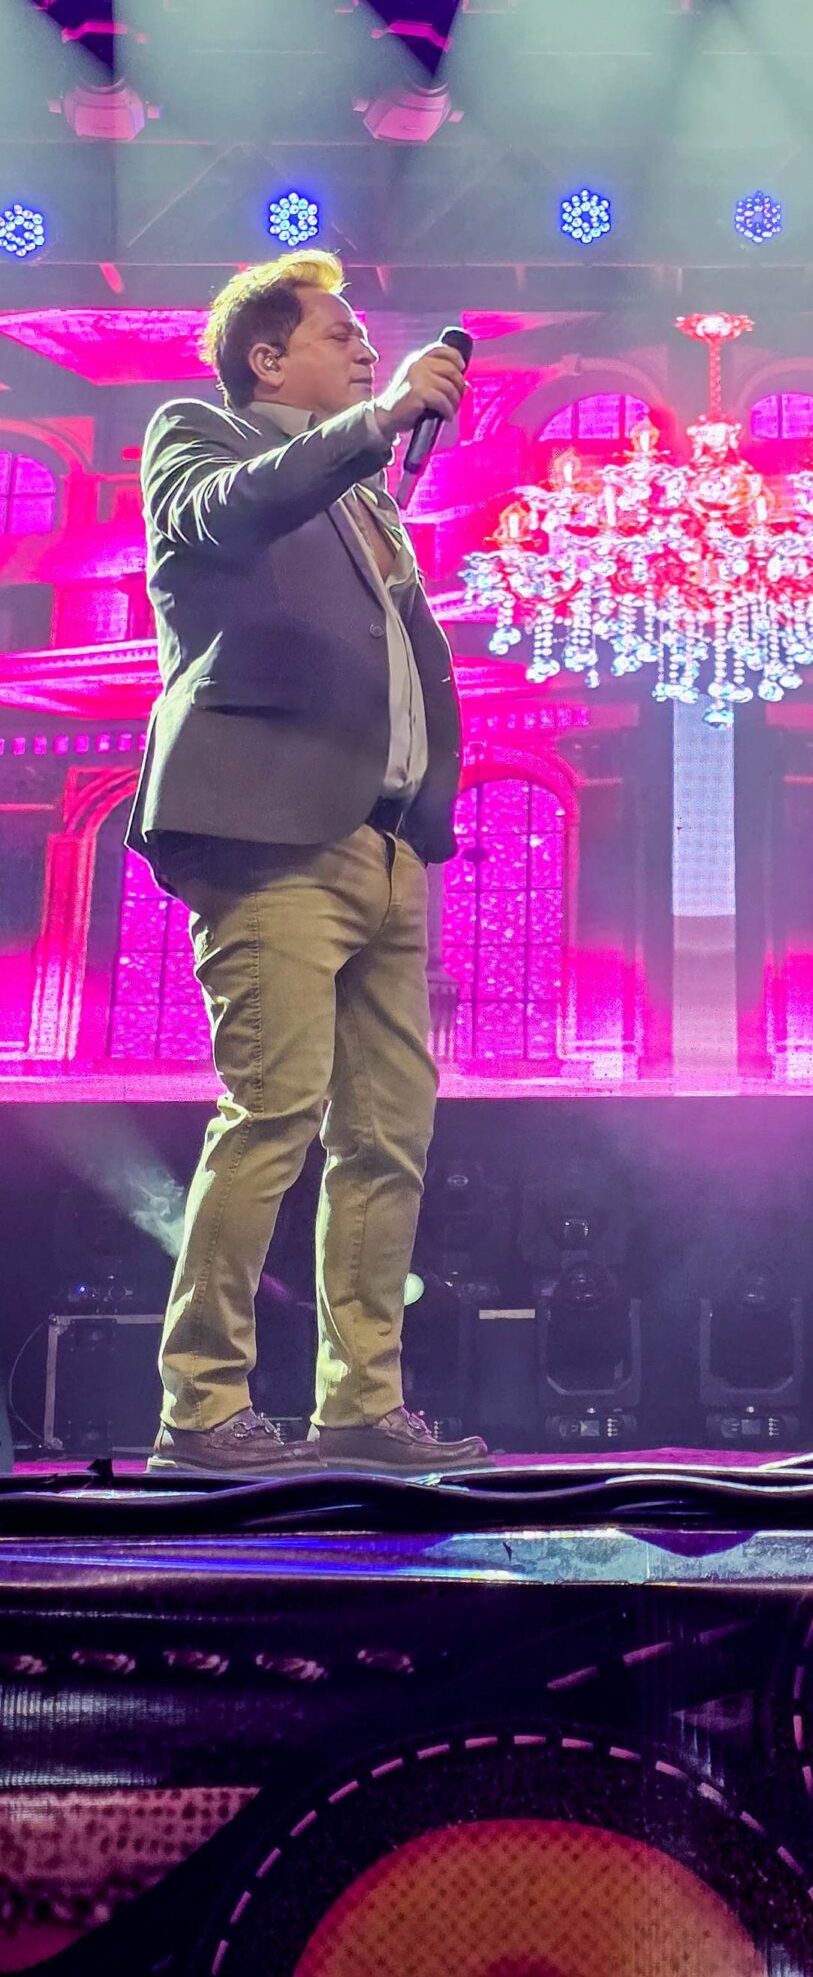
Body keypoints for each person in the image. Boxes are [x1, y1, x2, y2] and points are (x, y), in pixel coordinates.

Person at [129, 250, 488, 1479]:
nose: (368, 348)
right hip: (268, 825)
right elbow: (227, 513)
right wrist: (375, 423)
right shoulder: (200, 435)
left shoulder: (363, 497)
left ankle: (361, 1407)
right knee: (273, 1110)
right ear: (268, 357)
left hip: (384, 842)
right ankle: (202, 1409)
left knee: (387, 1136)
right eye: (341, 335)